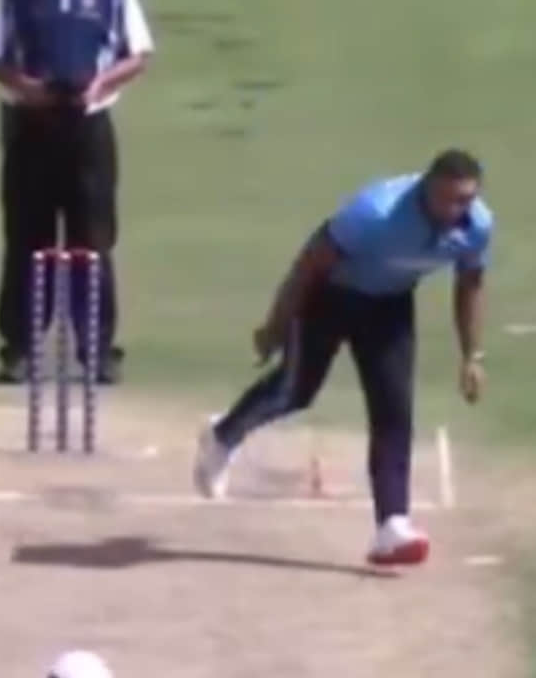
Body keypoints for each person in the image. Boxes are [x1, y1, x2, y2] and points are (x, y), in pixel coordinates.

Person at [190, 150, 494, 568]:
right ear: (426, 188)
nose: (455, 210)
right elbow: (309, 264)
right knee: (295, 391)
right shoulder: (376, 212)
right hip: (328, 296)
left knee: (394, 411)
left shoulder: (477, 226)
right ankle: (222, 435)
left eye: (465, 200)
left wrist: (471, 355)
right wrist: (276, 324)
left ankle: (392, 525)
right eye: (447, 199)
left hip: (389, 306)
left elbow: (470, 285)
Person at [0, 0, 153, 384]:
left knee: (92, 239)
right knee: (26, 236)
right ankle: (20, 349)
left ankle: (97, 351)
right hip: (30, 125)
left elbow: (138, 53)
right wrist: (27, 88)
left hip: (88, 125)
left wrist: (99, 85)